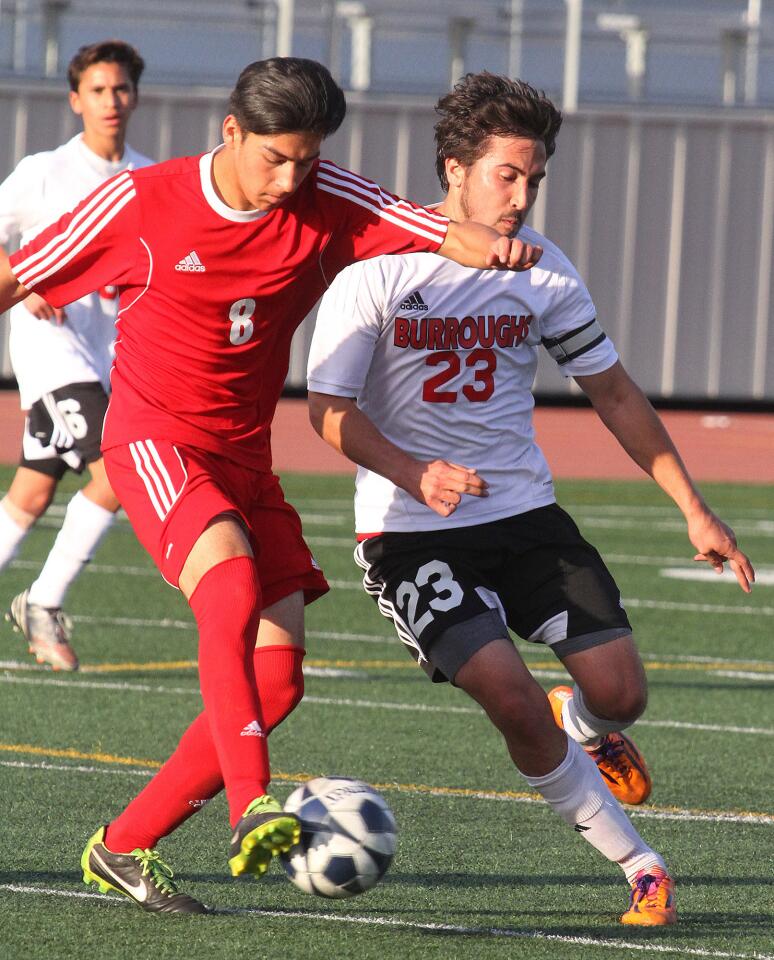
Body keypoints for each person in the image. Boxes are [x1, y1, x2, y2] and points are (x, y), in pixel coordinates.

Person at [0, 58, 543, 914]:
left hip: (244, 458)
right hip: (154, 440)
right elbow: (19, 274)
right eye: (275, 159)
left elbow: (434, 227)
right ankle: (253, 803)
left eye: (307, 158)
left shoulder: (327, 195)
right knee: (229, 587)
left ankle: (122, 846)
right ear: (232, 133)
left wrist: (501, 246)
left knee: (280, 684)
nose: (291, 179)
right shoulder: (142, 203)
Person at [306, 72, 755, 926]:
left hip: (525, 517)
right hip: (412, 530)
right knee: (508, 693)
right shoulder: (377, 271)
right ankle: (641, 865)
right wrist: (416, 473)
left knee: (622, 693)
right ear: (455, 170)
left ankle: (584, 722)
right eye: (506, 175)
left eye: (533, 179)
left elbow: (616, 395)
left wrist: (693, 508)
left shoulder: (545, 270)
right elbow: (327, 413)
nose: (520, 195)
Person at [0, 39, 152, 672]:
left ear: (134, 96)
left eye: (119, 88)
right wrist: (26, 280)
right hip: (52, 352)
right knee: (120, 473)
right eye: (97, 90)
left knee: (31, 494)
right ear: (75, 100)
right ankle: (44, 600)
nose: (110, 100)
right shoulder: (44, 172)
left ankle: (38, 597)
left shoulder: (147, 177)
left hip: (110, 356)